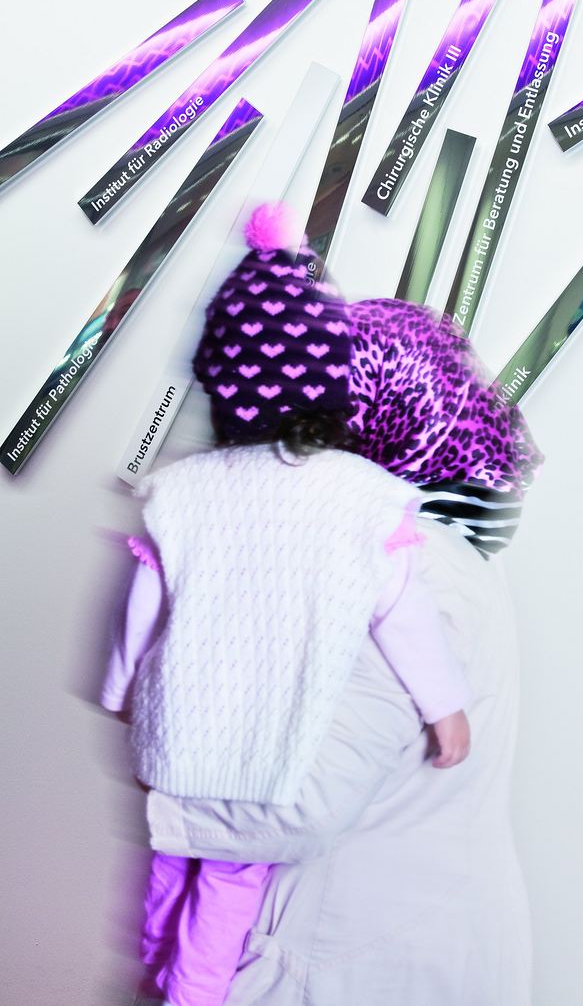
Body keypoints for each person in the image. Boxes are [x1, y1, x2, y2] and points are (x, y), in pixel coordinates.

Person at [101, 203, 474, 1006]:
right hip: (272, 746)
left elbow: (143, 602)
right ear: (333, 390)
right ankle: (191, 993)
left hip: (179, 729)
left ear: (221, 386)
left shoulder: (181, 490)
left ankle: (157, 968)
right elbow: (401, 612)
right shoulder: (364, 498)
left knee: (171, 855)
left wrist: (120, 688)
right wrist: (444, 706)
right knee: (230, 880)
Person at [133, 286, 546, 1006]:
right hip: (405, 945)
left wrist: (165, 774)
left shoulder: (394, 564)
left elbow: (299, 805)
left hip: (346, 958)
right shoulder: (448, 552)